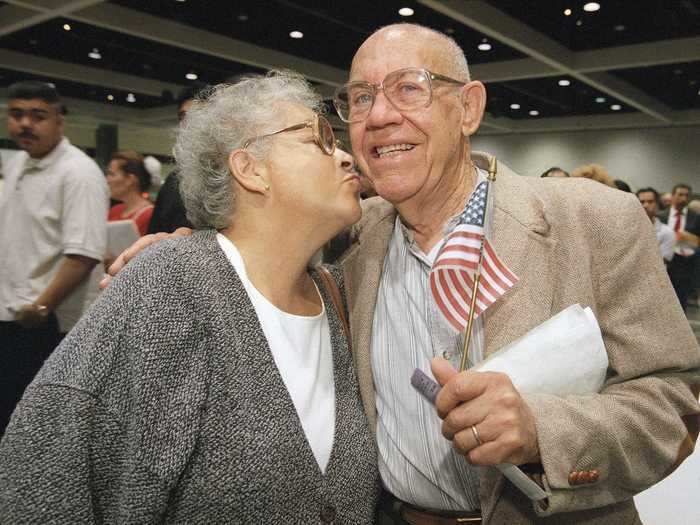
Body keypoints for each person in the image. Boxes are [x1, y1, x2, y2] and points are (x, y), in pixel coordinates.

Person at [101, 24, 700, 524]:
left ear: (468, 108)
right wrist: (189, 250)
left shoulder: (592, 220)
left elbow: (675, 406)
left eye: (408, 89)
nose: (379, 117)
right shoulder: (347, 238)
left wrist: (543, 428)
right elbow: (258, 246)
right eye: (360, 98)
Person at [0, 72, 378, 523]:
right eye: (317, 140)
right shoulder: (170, 286)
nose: (343, 156)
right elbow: (47, 461)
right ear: (250, 169)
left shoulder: (337, 294)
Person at [0, 81, 108, 436]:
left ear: (59, 121)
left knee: (32, 428)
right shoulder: (18, 163)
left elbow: (83, 254)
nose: (25, 124)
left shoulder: (78, 173)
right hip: (12, 314)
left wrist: (40, 309)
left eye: (37, 116)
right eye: (16, 115)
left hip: (44, 323)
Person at [146, 87, 199, 234]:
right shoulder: (174, 181)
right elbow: (155, 234)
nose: (188, 124)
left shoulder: (231, 178)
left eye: (197, 116)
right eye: (183, 117)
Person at [658, 183, 700, 309]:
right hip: (663, 263)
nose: (683, 198)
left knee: (680, 304)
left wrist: (690, 240)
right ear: (673, 196)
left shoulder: (696, 218)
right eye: (680, 194)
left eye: (686, 195)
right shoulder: (662, 216)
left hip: (685, 265)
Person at [106, 150, 154, 235]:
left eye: (111, 174)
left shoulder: (148, 215)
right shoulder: (115, 210)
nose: (107, 180)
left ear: (130, 180)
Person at [637, 187, 675, 262]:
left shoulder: (667, 232)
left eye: (650, 202)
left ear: (657, 205)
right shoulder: (626, 228)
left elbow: (663, 260)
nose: (645, 205)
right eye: (641, 202)